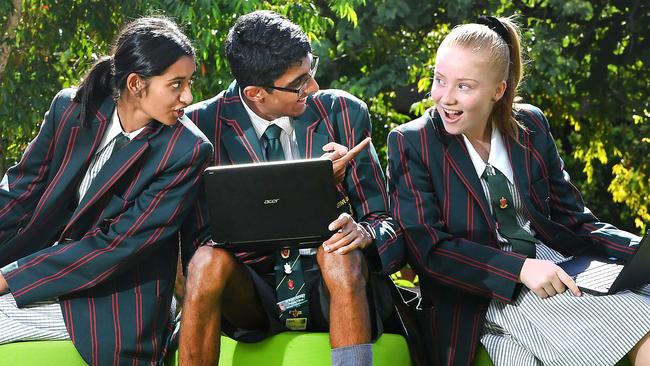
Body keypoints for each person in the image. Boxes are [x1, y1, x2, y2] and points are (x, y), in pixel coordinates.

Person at [386, 16, 650, 366]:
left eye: (464, 86)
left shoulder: (531, 126)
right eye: (439, 80)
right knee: (642, 324)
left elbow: (575, 221)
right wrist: (519, 269)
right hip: (486, 287)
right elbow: (429, 251)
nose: (445, 98)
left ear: (498, 90)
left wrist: (639, 251)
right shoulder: (411, 142)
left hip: (561, 266)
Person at [178, 10, 401, 366]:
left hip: (333, 288)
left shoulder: (343, 112)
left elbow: (386, 221)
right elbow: (195, 242)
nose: (312, 88)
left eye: (311, 72)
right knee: (205, 263)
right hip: (255, 294)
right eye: (299, 82)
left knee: (339, 252)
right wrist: (304, 192)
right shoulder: (199, 128)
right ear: (255, 93)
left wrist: (358, 227)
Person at [0, 16, 212, 365]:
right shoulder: (71, 109)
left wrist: (9, 277)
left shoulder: (186, 151)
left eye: (188, 83)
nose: (187, 97)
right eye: (176, 84)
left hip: (112, 296)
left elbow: (117, 245)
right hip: (40, 269)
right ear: (135, 84)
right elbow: (19, 194)